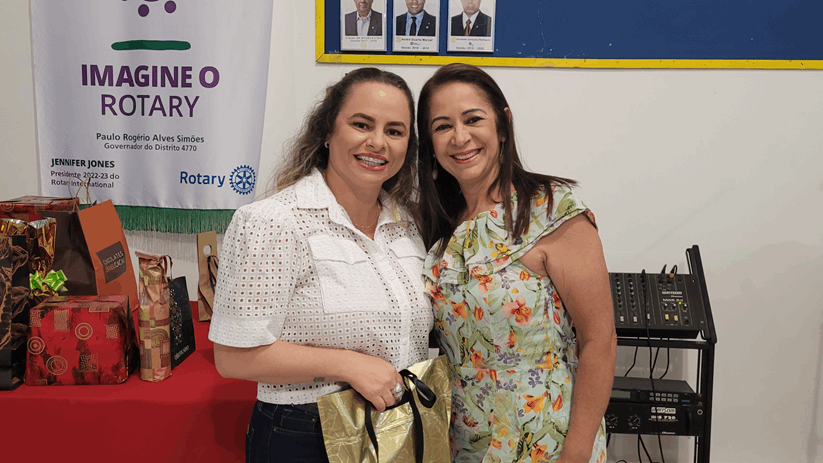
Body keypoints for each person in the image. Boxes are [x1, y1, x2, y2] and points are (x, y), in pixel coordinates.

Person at [210, 67, 433, 463]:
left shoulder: (408, 225)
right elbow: (232, 357)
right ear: (327, 131)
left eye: (395, 131)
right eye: (361, 124)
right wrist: (349, 365)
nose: (378, 142)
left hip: (396, 427)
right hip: (305, 434)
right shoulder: (272, 221)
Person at [417, 63, 615, 463]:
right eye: (442, 126)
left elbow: (600, 341)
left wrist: (576, 454)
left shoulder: (550, 208)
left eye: (473, 119)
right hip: (463, 444)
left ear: (503, 124)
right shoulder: (437, 230)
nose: (460, 137)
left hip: (547, 441)